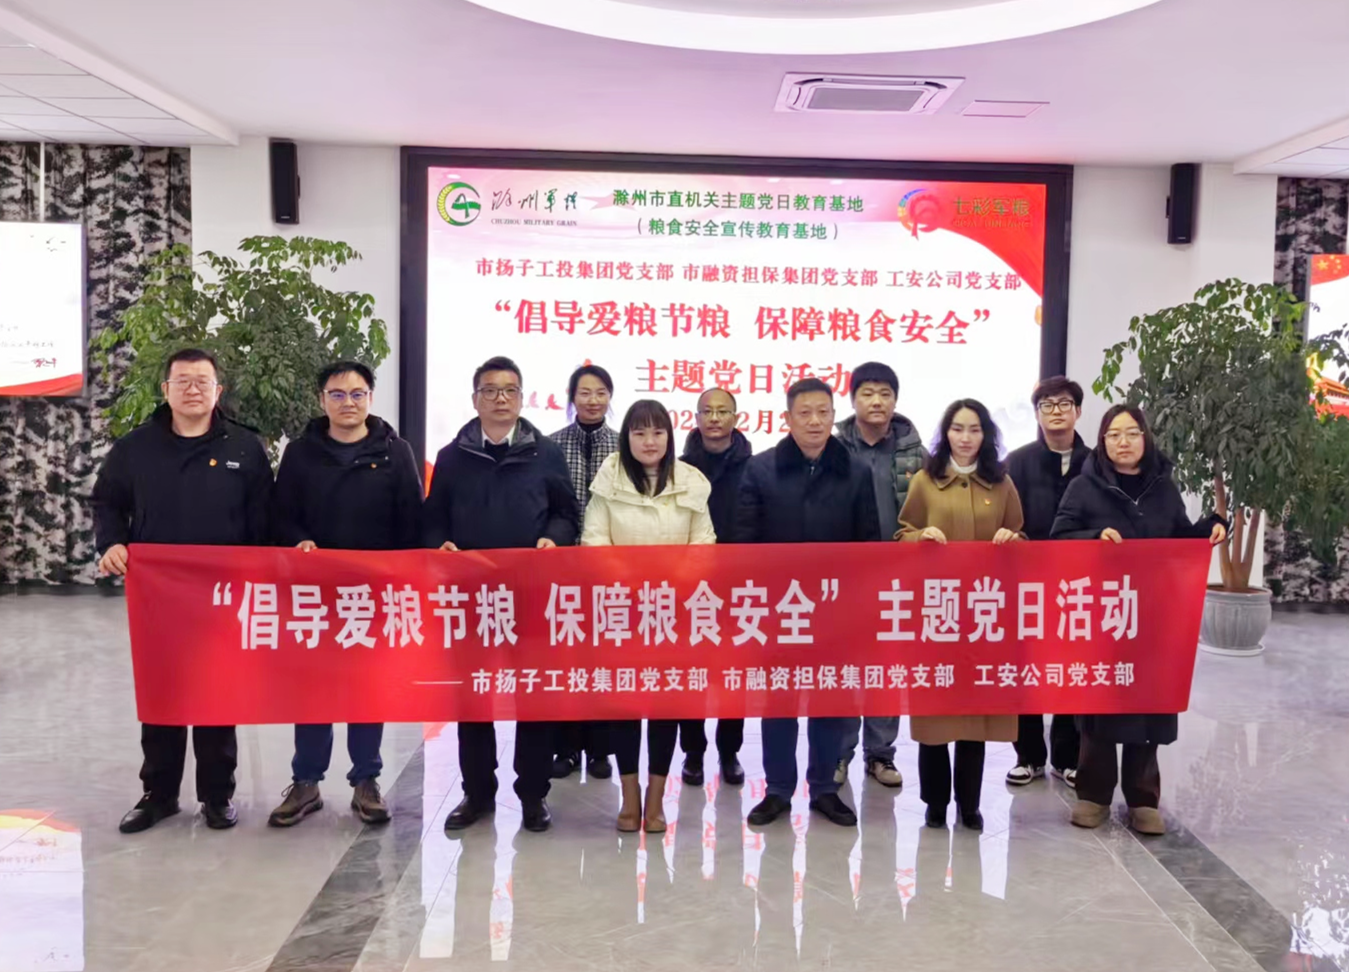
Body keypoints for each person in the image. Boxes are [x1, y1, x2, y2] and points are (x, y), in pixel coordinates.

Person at [92, 348, 272, 833]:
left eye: (203, 381)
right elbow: (107, 501)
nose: (193, 389)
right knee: (164, 690)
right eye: (183, 381)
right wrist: (111, 543)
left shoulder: (245, 448)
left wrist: (264, 576)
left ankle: (217, 794)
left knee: (217, 692)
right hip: (159, 595)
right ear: (165, 390)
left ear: (219, 390)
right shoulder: (136, 447)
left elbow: (263, 519)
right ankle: (159, 794)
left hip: (224, 595)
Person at [1051, 404, 1226, 835]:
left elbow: (1179, 537)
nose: (1123, 442)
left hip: (1154, 615)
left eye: (1131, 433)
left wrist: (1211, 526)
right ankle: (1093, 795)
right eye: (1113, 435)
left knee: (1149, 704)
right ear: (1102, 441)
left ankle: (1143, 798)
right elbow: (1059, 538)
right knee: (1099, 708)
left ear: (1145, 438)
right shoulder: (1083, 486)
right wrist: (1094, 537)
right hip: (1103, 616)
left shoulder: (1162, 487)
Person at [423, 355, 580, 834]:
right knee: (474, 699)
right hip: (471, 600)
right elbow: (434, 516)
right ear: (475, 399)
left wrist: (553, 538)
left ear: (521, 398)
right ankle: (477, 793)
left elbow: (567, 513)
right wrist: (440, 543)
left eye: (509, 390)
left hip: (530, 598)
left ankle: (532, 794)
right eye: (490, 390)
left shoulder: (545, 453)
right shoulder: (453, 456)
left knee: (533, 696)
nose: (500, 399)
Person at [266, 361, 423, 828]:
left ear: (370, 398)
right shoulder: (301, 452)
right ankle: (306, 781)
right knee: (314, 687)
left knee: (366, 688)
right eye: (337, 394)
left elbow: (411, 518)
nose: (348, 402)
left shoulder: (395, 452)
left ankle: (366, 781)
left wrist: (400, 573)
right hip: (313, 592)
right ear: (322, 400)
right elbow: (281, 514)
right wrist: (299, 541)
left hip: (373, 594)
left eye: (357, 394)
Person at [738, 378, 881, 828]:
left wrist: (857, 606)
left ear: (834, 416)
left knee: (831, 701)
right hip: (779, 609)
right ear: (787, 418)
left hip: (836, 611)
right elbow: (744, 545)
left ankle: (824, 789)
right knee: (779, 701)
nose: (815, 421)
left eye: (823, 412)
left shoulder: (856, 471)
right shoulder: (760, 470)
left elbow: (869, 543)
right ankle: (778, 789)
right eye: (805, 413)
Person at [581, 399, 716, 831]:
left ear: (670, 437)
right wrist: (631, 585)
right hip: (621, 611)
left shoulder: (691, 481)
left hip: (674, 613)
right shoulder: (608, 479)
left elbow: (704, 545)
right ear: (627, 438)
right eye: (639, 433)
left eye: (658, 432)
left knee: (665, 704)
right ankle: (630, 795)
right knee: (624, 704)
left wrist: (671, 585)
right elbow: (594, 542)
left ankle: (656, 798)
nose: (649, 441)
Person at [897, 399, 1023, 832]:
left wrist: (1012, 539)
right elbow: (902, 534)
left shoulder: (1001, 483)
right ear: (945, 433)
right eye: (957, 429)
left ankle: (970, 804)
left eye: (974, 429)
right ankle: (934, 802)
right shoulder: (925, 481)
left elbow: (1022, 537)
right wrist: (920, 537)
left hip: (985, 615)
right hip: (937, 613)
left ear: (986, 435)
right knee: (935, 714)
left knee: (976, 713)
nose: (965, 438)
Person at [834, 361, 926, 790]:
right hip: (844, 578)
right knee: (844, 668)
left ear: (895, 400)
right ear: (853, 399)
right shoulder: (833, 447)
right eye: (867, 393)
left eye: (885, 394)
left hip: (897, 577)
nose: (876, 401)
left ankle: (881, 754)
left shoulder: (915, 452)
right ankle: (839, 753)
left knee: (887, 667)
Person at [1004, 376, 1092, 789]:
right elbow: (1007, 516)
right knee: (1026, 666)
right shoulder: (1018, 462)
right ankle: (1028, 756)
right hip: (1028, 582)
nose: (1056, 412)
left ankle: (1067, 757)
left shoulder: (1096, 463)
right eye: (1047, 405)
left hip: (1080, 582)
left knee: (1071, 668)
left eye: (1064, 404)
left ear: (1078, 411)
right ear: (1037, 414)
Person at [677, 386, 752, 787]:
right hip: (690, 583)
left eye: (723, 411)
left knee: (732, 672)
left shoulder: (754, 467)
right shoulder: (680, 467)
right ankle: (693, 752)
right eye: (707, 411)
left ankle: (729, 750)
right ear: (697, 418)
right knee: (691, 670)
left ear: (736, 418)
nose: (715, 418)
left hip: (738, 584)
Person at [549, 364, 620, 782]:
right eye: (584, 393)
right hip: (563, 569)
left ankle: (600, 750)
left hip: (610, 571)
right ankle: (566, 747)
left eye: (601, 393)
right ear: (571, 397)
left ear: (610, 397)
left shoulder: (623, 444)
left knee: (604, 660)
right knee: (566, 658)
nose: (593, 400)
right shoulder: (551, 445)